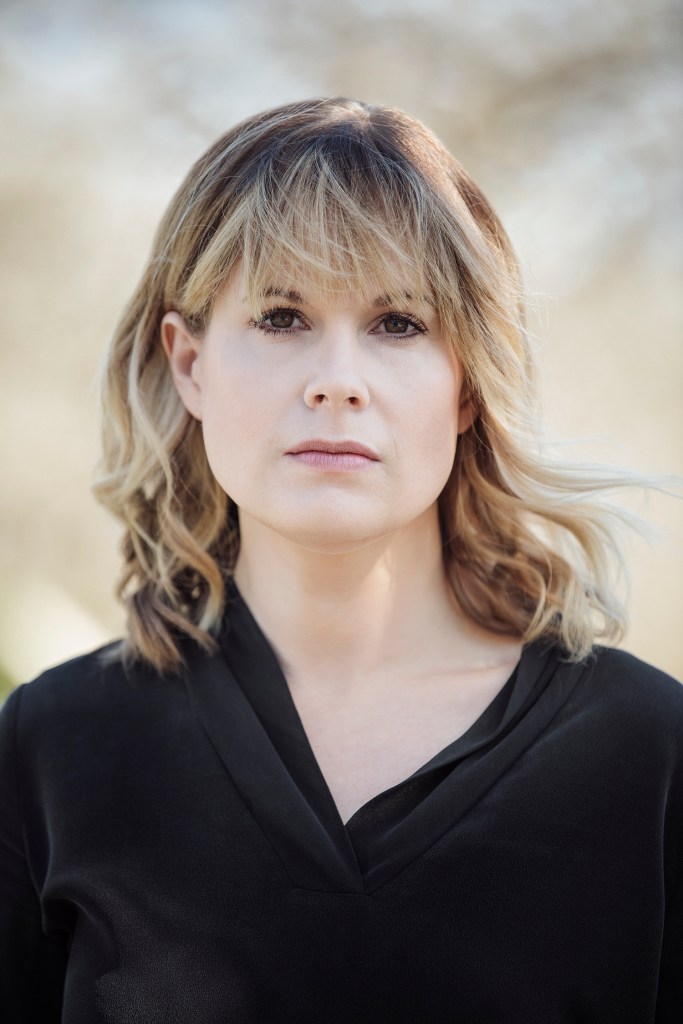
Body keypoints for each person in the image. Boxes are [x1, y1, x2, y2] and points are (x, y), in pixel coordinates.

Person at [0, 97, 680, 1024]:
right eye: (281, 317)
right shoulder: (50, 749)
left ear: (467, 384)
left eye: (397, 323)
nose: (336, 382)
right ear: (190, 364)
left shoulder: (649, 753)